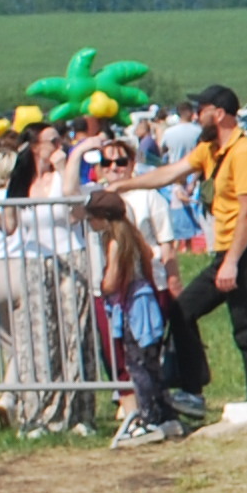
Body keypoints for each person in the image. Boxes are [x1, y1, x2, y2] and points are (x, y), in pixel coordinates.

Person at [115, 85, 247, 406]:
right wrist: (126, 183)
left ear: (218, 114)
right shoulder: (211, 149)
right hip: (230, 251)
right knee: (182, 311)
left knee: (246, 328)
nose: (195, 114)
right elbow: (170, 173)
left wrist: (231, 262)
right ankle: (192, 389)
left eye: (201, 108)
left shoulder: (245, 152)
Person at [0, 125, 98, 434]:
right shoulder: (21, 183)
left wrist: (69, 162)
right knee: (38, 338)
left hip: (70, 257)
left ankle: (78, 414)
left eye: (60, 140)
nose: (59, 145)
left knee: (75, 334)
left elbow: (74, 211)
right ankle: (39, 414)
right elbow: (9, 227)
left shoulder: (63, 176)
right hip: (34, 262)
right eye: (53, 141)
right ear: (34, 146)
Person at [85, 190, 187, 447]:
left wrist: (103, 285)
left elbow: (112, 280)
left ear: (104, 218)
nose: (90, 223)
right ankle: (165, 414)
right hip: (146, 301)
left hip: (134, 307)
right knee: (151, 363)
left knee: (137, 363)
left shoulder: (116, 242)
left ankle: (148, 419)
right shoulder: (132, 234)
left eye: (93, 218)